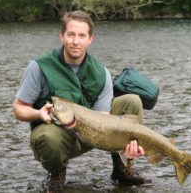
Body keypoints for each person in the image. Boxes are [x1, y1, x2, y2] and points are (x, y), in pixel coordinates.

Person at [13, 10, 152, 191]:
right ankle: (56, 174)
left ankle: (122, 167)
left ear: (90, 39)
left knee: (131, 101)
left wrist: (125, 146)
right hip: (57, 138)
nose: (76, 41)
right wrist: (38, 113)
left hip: (91, 133)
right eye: (71, 35)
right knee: (48, 136)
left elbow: (104, 121)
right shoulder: (38, 66)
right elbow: (18, 109)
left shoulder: (101, 71)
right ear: (62, 36)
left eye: (81, 35)